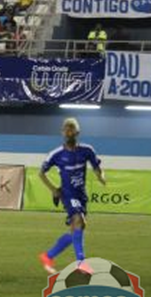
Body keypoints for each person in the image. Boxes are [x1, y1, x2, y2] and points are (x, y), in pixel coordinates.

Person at [38, 118, 105, 275]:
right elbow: (41, 173)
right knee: (78, 221)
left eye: (71, 128)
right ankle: (81, 263)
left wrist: (101, 176)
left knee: (76, 230)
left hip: (81, 194)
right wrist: (54, 189)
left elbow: (97, 167)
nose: (68, 131)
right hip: (67, 194)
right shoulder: (56, 154)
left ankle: (48, 256)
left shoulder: (87, 150)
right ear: (62, 132)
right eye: (66, 129)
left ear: (77, 132)